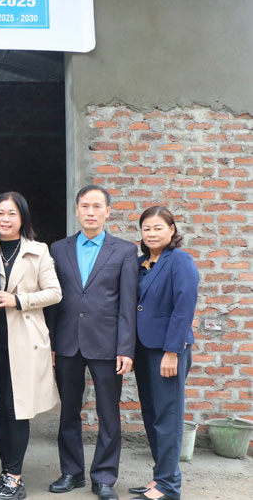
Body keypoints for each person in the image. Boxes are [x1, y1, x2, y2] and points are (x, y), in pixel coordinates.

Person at [47, 184, 138, 500]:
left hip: (107, 346)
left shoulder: (125, 251)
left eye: (97, 206)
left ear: (107, 212)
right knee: (69, 410)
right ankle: (71, 472)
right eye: (85, 206)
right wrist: (52, 344)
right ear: (76, 210)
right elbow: (54, 301)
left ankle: (104, 478)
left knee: (108, 413)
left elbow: (128, 304)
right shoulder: (58, 249)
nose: (90, 212)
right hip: (68, 343)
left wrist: (126, 348)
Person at [0, 192, 62, 500]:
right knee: (0, 408)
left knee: (18, 409)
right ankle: (5, 471)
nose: (5, 219)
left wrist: (18, 300)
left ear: (23, 218)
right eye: (0, 213)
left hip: (25, 341)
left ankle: (15, 477)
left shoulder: (38, 251)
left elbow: (55, 293)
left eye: (12, 214)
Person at [128, 206, 198, 500]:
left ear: (172, 230)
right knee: (152, 415)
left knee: (168, 417)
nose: (152, 233)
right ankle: (160, 480)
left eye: (158, 227)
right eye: (146, 228)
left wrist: (172, 351)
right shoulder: (142, 263)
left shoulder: (180, 260)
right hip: (143, 350)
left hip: (168, 351)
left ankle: (169, 487)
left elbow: (184, 308)